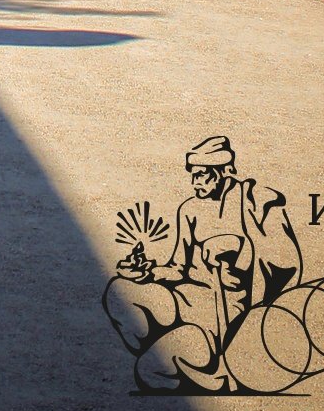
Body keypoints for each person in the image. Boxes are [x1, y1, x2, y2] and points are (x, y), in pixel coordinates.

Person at [103, 136, 303, 392]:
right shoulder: (189, 209)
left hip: (223, 312)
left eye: (202, 176)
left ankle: (205, 364)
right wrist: (146, 270)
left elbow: (281, 261)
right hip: (185, 297)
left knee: (147, 371)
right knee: (118, 290)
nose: (195, 182)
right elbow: (178, 267)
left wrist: (236, 245)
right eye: (193, 176)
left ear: (222, 173)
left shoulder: (250, 202)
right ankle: (162, 345)